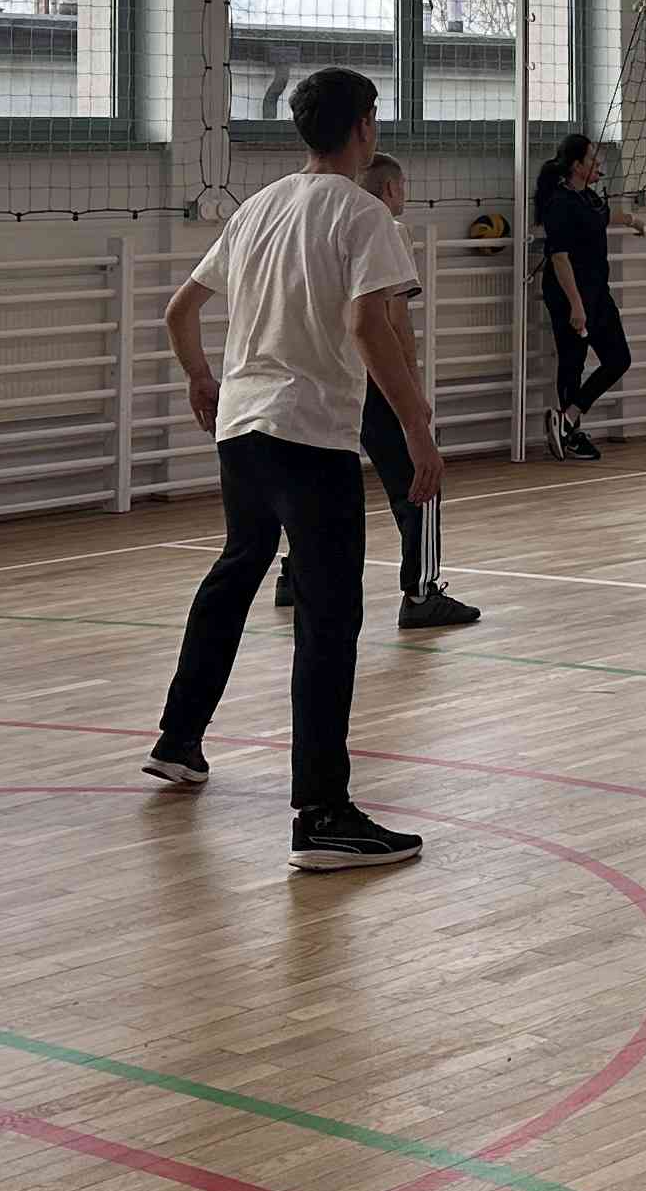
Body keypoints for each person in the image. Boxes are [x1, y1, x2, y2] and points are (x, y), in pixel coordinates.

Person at [148, 64, 443, 871]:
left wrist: (200, 378)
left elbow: (179, 311)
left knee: (238, 568)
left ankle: (178, 739)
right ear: (364, 126)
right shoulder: (364, 212)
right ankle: (321, 815)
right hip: (310, 435)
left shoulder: (259, 206)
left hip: (241, 429)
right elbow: (369, 325)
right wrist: (417, 427)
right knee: (329, 619)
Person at [277, 157, 483, 626]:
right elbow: (393, 320)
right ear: (390, 188)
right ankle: (421, 594)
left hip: (319, 372)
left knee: (315, 479)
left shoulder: (314, 221)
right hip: (371, 376)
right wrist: (411, 392)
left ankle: (292, 573)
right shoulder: (386, 228)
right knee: (420, 479)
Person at [536, 134, 633, 460]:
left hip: (597, 292)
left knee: (619, 358)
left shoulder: (589, 198)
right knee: (572, 363)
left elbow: (603, 216)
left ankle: (567, 419)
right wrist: (576, 306)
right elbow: (559, 258)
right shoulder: (559, 203)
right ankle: (570, 435)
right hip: (569, 295)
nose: (598, 163)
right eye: (592, 158)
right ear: (577, 166)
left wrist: (632, 220)